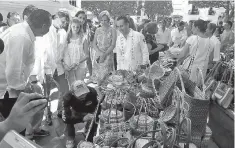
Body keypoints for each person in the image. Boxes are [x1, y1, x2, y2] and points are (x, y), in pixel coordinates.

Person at [0, 9, 51, 119]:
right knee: (14, 129)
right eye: (48, 27)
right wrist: (22, 90)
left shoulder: (23, 31)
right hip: (7, 92)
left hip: (8, 89)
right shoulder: (22, 37)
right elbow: (13, 71)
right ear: (43, 26)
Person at [62, 80, 98, 148]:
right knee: (69, 120)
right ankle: (70, 137)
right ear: (72, 93)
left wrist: (93, 115)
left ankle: (87, 129)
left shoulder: (92, 91)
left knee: (95, 117)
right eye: (80, 94)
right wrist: (82, 118)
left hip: (89, 109)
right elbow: (65, 118)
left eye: (84, 92)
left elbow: (96, 105)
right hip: (75, 110)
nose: (83, 95)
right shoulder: (67, 97)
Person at [62, 18, 89, 88]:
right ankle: (73, 99)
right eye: (73, 26)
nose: (75, 28)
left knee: (79, 85)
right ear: (70, 26)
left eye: (77, 27)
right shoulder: (67, 37)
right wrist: (66, 65)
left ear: (80, 28)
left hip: (80, 65)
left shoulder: (83, 38)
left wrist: (77, 62)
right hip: (69, 65)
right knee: (71, 85)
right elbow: (64, 52)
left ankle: (81, 98)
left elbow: (87, 55)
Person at [92, 10, 116, 84]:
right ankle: (98, 94)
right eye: (102, 20)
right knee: (98, 79)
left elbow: (113, 45)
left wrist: (105, 54)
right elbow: (94, 44)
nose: (103, 22)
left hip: (108, 55)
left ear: (109, 20)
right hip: (98, 55)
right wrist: (100, 53)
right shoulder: (97, 30)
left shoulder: (112, 30)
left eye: (105, 20)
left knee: (107, 79)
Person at [75, 10, 92, 77]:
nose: (82, 20)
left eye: (83, 18)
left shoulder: (85, 28)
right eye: (80, 17)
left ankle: (91, 75)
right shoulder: (71, 28)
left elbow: (87, 40)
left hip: (83, 54)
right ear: (76, 17)